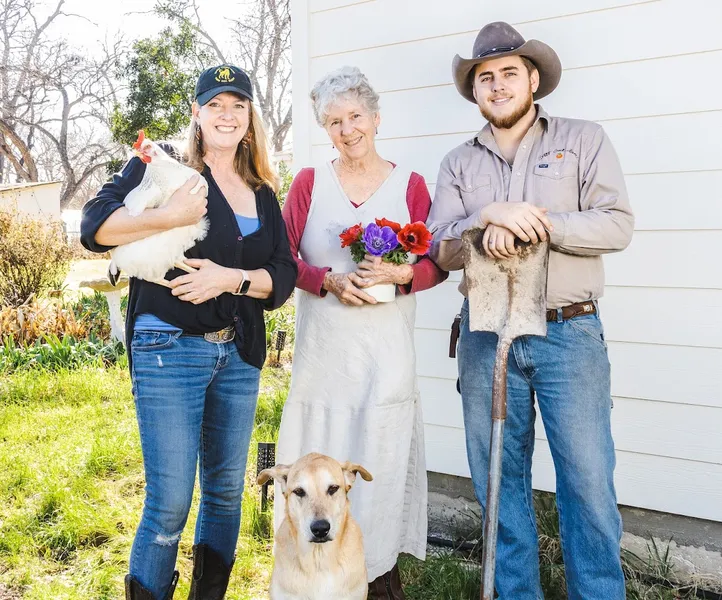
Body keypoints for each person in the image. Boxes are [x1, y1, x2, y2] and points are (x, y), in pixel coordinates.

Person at [427, 22, 635, 600]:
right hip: (484, 333)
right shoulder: (457, 164)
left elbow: (617, 224)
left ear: (533, 79)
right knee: (497, 479)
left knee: (588, 481)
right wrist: (484, 217)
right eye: (485, 77)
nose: (496, 85)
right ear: (474, 90)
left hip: (568, 332)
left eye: (508, 73)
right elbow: (440, 248)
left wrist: (537, 224)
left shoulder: (583, 139)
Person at [80, 64, 297, 600]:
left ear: (250, 119)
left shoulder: (262, 194)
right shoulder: (159, 167)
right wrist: (169, 215)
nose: (227, 114)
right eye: (215, 104)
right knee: (171, 499)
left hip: (238, 355)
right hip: (168, 346)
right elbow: (93, 227)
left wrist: (235, 280)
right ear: (196, 114)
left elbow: (284, 275)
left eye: (238, 105)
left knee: (225, 494)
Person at [276, 66, 447, 599]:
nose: (346, 129)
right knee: (318, 466)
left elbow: (436, 264)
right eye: (333, 121)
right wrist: (325, 280)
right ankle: (308, 576)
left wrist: (401, 275)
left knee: (382, 459)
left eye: (354, 117)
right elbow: (281, 261)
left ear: (376, 118)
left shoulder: (411, 186)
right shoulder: (309, 182)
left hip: (384, 357)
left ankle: (378, 578)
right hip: (325, 357)